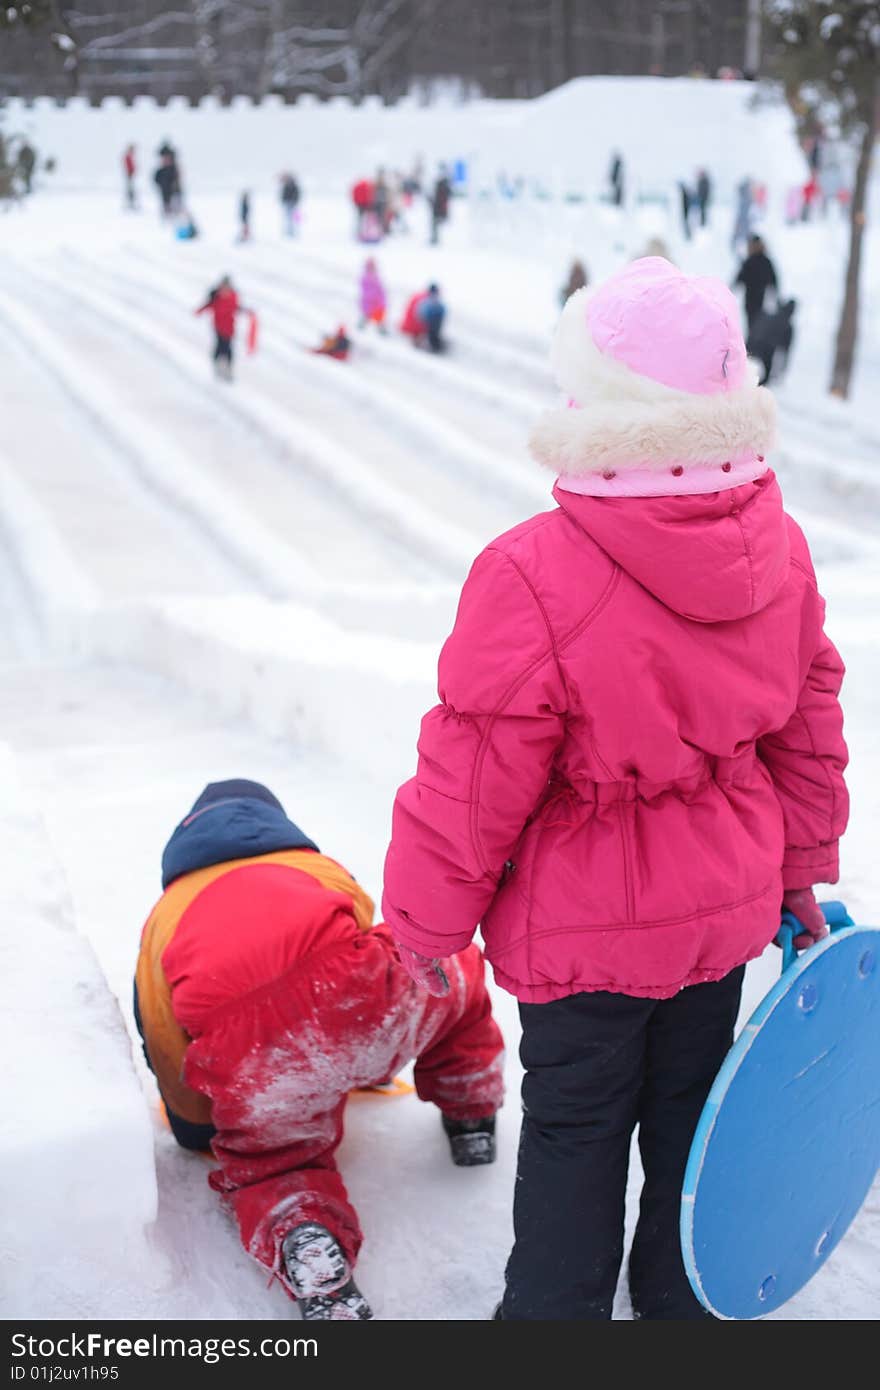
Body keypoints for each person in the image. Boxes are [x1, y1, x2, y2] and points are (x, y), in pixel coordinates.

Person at [382, 257, 848, 1321]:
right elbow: (807, 720)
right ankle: (678, 1299)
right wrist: (799, 865)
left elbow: (475, 770)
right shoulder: (773, 546)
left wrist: (423, 921)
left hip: (582, 941)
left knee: (575, 1133)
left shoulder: (533, 570)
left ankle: (554, 1313)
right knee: (692, 1118)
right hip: (719, 912)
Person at [134, 779, 504, 1320]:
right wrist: (367, 1055)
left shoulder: (164, 917)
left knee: (274, 1162)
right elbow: (374, 937)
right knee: (454, 977)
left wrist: (198, 1126)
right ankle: (472, 1114)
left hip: (256, 1055)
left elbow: (163, 1036)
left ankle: (304, 1238)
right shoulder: (317, 867)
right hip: (355, 998)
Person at [194, 276, 252, 380]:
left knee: (228, 348)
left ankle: (228, 368)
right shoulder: (216, 297)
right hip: (218, 327)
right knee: (220, 346)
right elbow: (207, 305)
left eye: (227, 286)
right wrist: (199, 311)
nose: (225, 289)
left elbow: (237, 307)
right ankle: (217, 365)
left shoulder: (234, 296)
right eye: (223, 286)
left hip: (230, 328)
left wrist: (248, 312)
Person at [733, 234, 779, 338]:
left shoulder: (750, 262)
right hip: (757, 301)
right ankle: (754, 344)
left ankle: (753, 345)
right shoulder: (764, 262)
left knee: (754, 325)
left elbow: (738, 280)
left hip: (754, 301)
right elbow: (774, 282)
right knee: (757, 325)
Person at [747, 298, 797, 385]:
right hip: (765, 353)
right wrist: (783, 369)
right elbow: (785, 351)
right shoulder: (788, 326)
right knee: (762, 380)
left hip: (750, 347)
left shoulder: (766, 315)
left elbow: (753, 330)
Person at [358, 258, 388, 332]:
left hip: (378, 303)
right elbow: (366, 291)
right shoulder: (366, 278)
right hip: (370, 302)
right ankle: (361, 327)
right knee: (367, 315)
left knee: (378, 318)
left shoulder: (376, 277)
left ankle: (381, 329)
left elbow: (381, 290)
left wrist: (382, 300)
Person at [429, 166, 452, 245]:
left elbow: (445, 196)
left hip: (439, 206)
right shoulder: (442, 183)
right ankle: (435, 238)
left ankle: (435, 238)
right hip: (437, 206)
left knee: (436, 223)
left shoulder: (444, 183)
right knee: (434, 223)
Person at [154, 151, 179, 219]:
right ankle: (166, 216)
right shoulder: (160, 170)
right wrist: (160, 184)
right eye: (165, 159)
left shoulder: (173, 169)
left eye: (167, 159)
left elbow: (176, 179)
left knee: (174, 204)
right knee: (165, 203)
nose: (166, 161)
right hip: (164, 190)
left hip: (173, 191)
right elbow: (156, 179)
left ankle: (173, 215)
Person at [731, 177, 753, 253]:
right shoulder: (746, 197)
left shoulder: (745, 196)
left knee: (741, 234)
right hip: (743, 219)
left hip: (744, 219)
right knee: (741, 234)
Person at [280, 171, 300, 236]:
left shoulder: (294, 186)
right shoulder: (286, 186)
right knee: (287, 218)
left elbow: (297, 195)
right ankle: (288, 231)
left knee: (294, 219)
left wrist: (295, 201)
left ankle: (293, 232)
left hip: (293, 204)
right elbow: (283, 195)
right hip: (287, 204)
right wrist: (283, 201)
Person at [123, 144, 137, 209]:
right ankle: (130, 203)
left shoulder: (130, 156)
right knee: (130, 189)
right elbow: (129, 166)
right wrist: (131, 172)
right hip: (129, 174)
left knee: (131, 189)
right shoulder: (128, 156)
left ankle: (131, 203)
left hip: (131, 174)